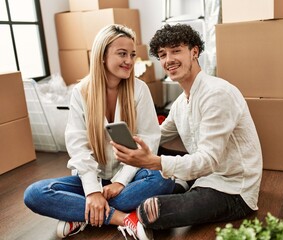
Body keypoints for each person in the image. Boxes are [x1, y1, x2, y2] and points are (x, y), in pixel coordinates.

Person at [110, 24, 263, 239]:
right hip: (202, 177)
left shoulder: (217, 94)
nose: (168, 59)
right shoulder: (181, 102)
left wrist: (152, 162)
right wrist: (129, 143)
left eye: (176, 50)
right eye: (163, 55)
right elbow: (158, 136)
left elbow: (209, 160)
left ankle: (111, 210)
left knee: (150, 210)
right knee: (151, 170)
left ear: (194, 52)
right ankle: (102, 206)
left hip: (233, 188)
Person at [23, 24, 174, 239]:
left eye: (132, 55)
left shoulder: (139, 89)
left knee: (164, 179)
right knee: (34, 194)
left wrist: (120, 182)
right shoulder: (81, 92)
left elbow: (149, 138)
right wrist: (93, 191)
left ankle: (82, 213)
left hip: (130, 177)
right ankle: (121, 217)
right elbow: (77, 145)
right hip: (92, 178)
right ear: (102, 56)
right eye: (122, 54)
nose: (129, 61)